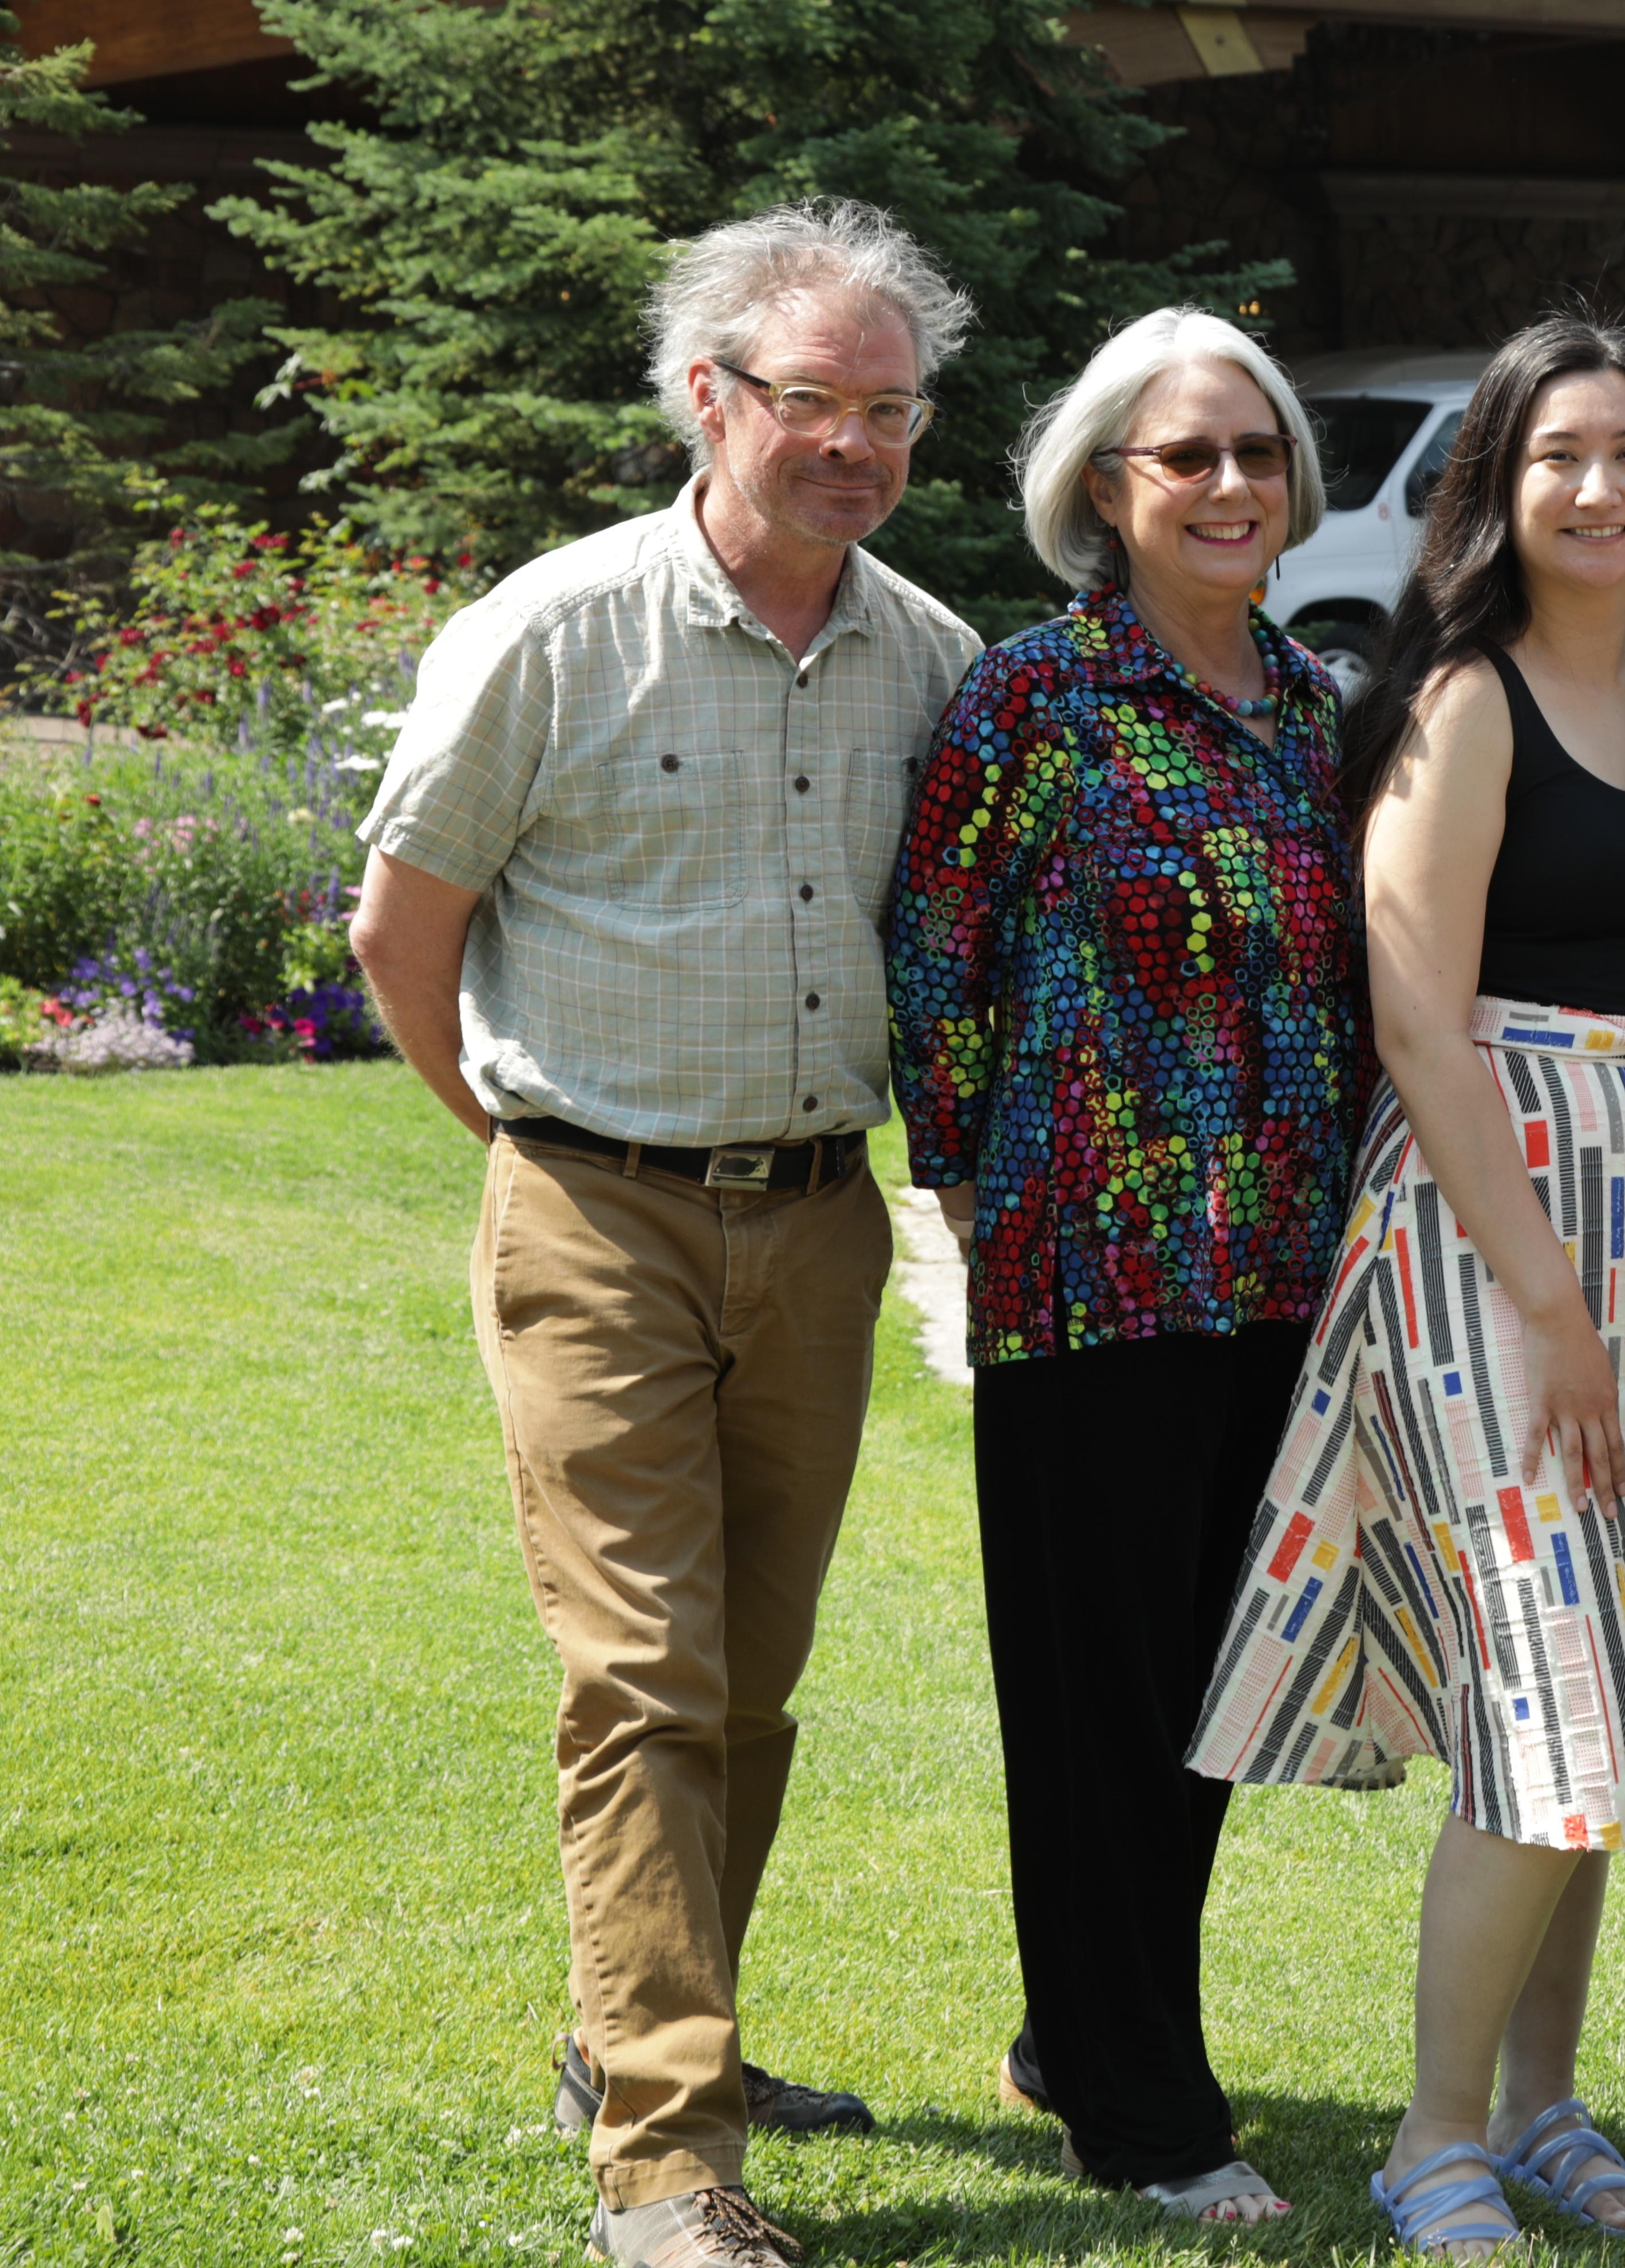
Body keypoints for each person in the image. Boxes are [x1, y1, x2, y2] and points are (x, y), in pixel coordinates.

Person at [347, 200, 984, 2268]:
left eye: (891, 410)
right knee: (642, 1675)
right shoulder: (553, 629)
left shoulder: (932, 656)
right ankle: (667, 2166)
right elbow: (404, 930)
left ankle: (635, 2043)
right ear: (708, 398)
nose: (859, 445)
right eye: (817, 402)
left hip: (814, 1225)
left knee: (755, 1684)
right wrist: (536, 1153)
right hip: (594, 1211)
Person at [1184, 317, 1625, 2262]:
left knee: (1604, 1676)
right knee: (1552, 1685)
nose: (1600, 490)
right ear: (1497, 490)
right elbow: (1415, 1017)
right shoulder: (1460, 699)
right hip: (1490, 1220)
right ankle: (1432, 2138)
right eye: (1558, 458)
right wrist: (1544, 1297)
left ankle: (1543, 2107)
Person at [884, 306, 1372, 2230]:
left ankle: (1074, 2033)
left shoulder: (1324, 707)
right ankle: (1145, 2116)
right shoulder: (1028, 702)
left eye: (1257, 454)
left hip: (1285, 1279)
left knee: (1207, 1703)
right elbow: (939, 975)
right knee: (1093, 1702)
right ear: (1106, 487)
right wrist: (997, 1202)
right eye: (1189, 457)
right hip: (1091, 1278)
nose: (1233, 487)